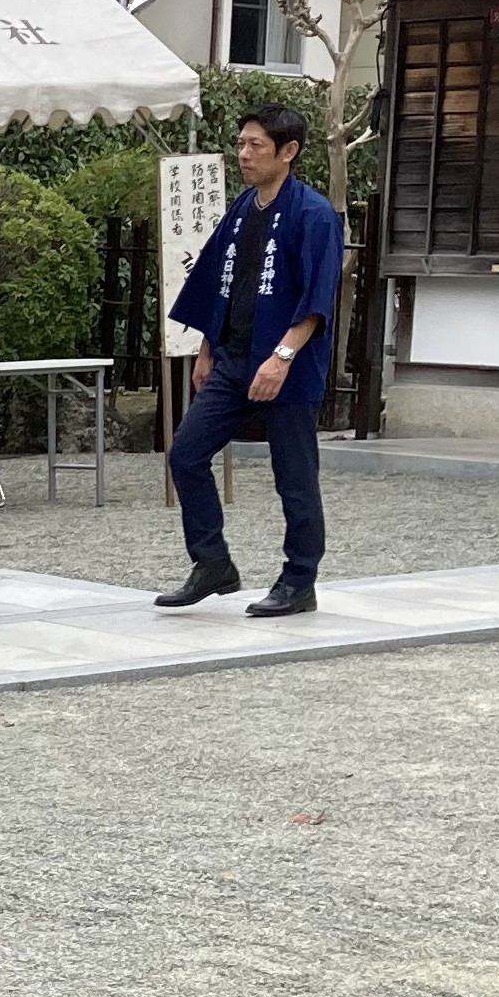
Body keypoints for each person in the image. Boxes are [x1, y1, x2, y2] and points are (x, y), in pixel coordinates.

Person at [157, 102, 347, 620]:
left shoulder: (314, 215)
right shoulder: (242, 208)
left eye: (255, 145)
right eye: (241, 143)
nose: (243, 153)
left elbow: (318, 297)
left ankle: (299, 580)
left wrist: (281, 358)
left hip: (288, 364)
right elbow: (218, 283)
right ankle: (213, 563)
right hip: (234, 358)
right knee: (186, 455)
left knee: (295, 478)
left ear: (289, 152)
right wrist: (206, 347)